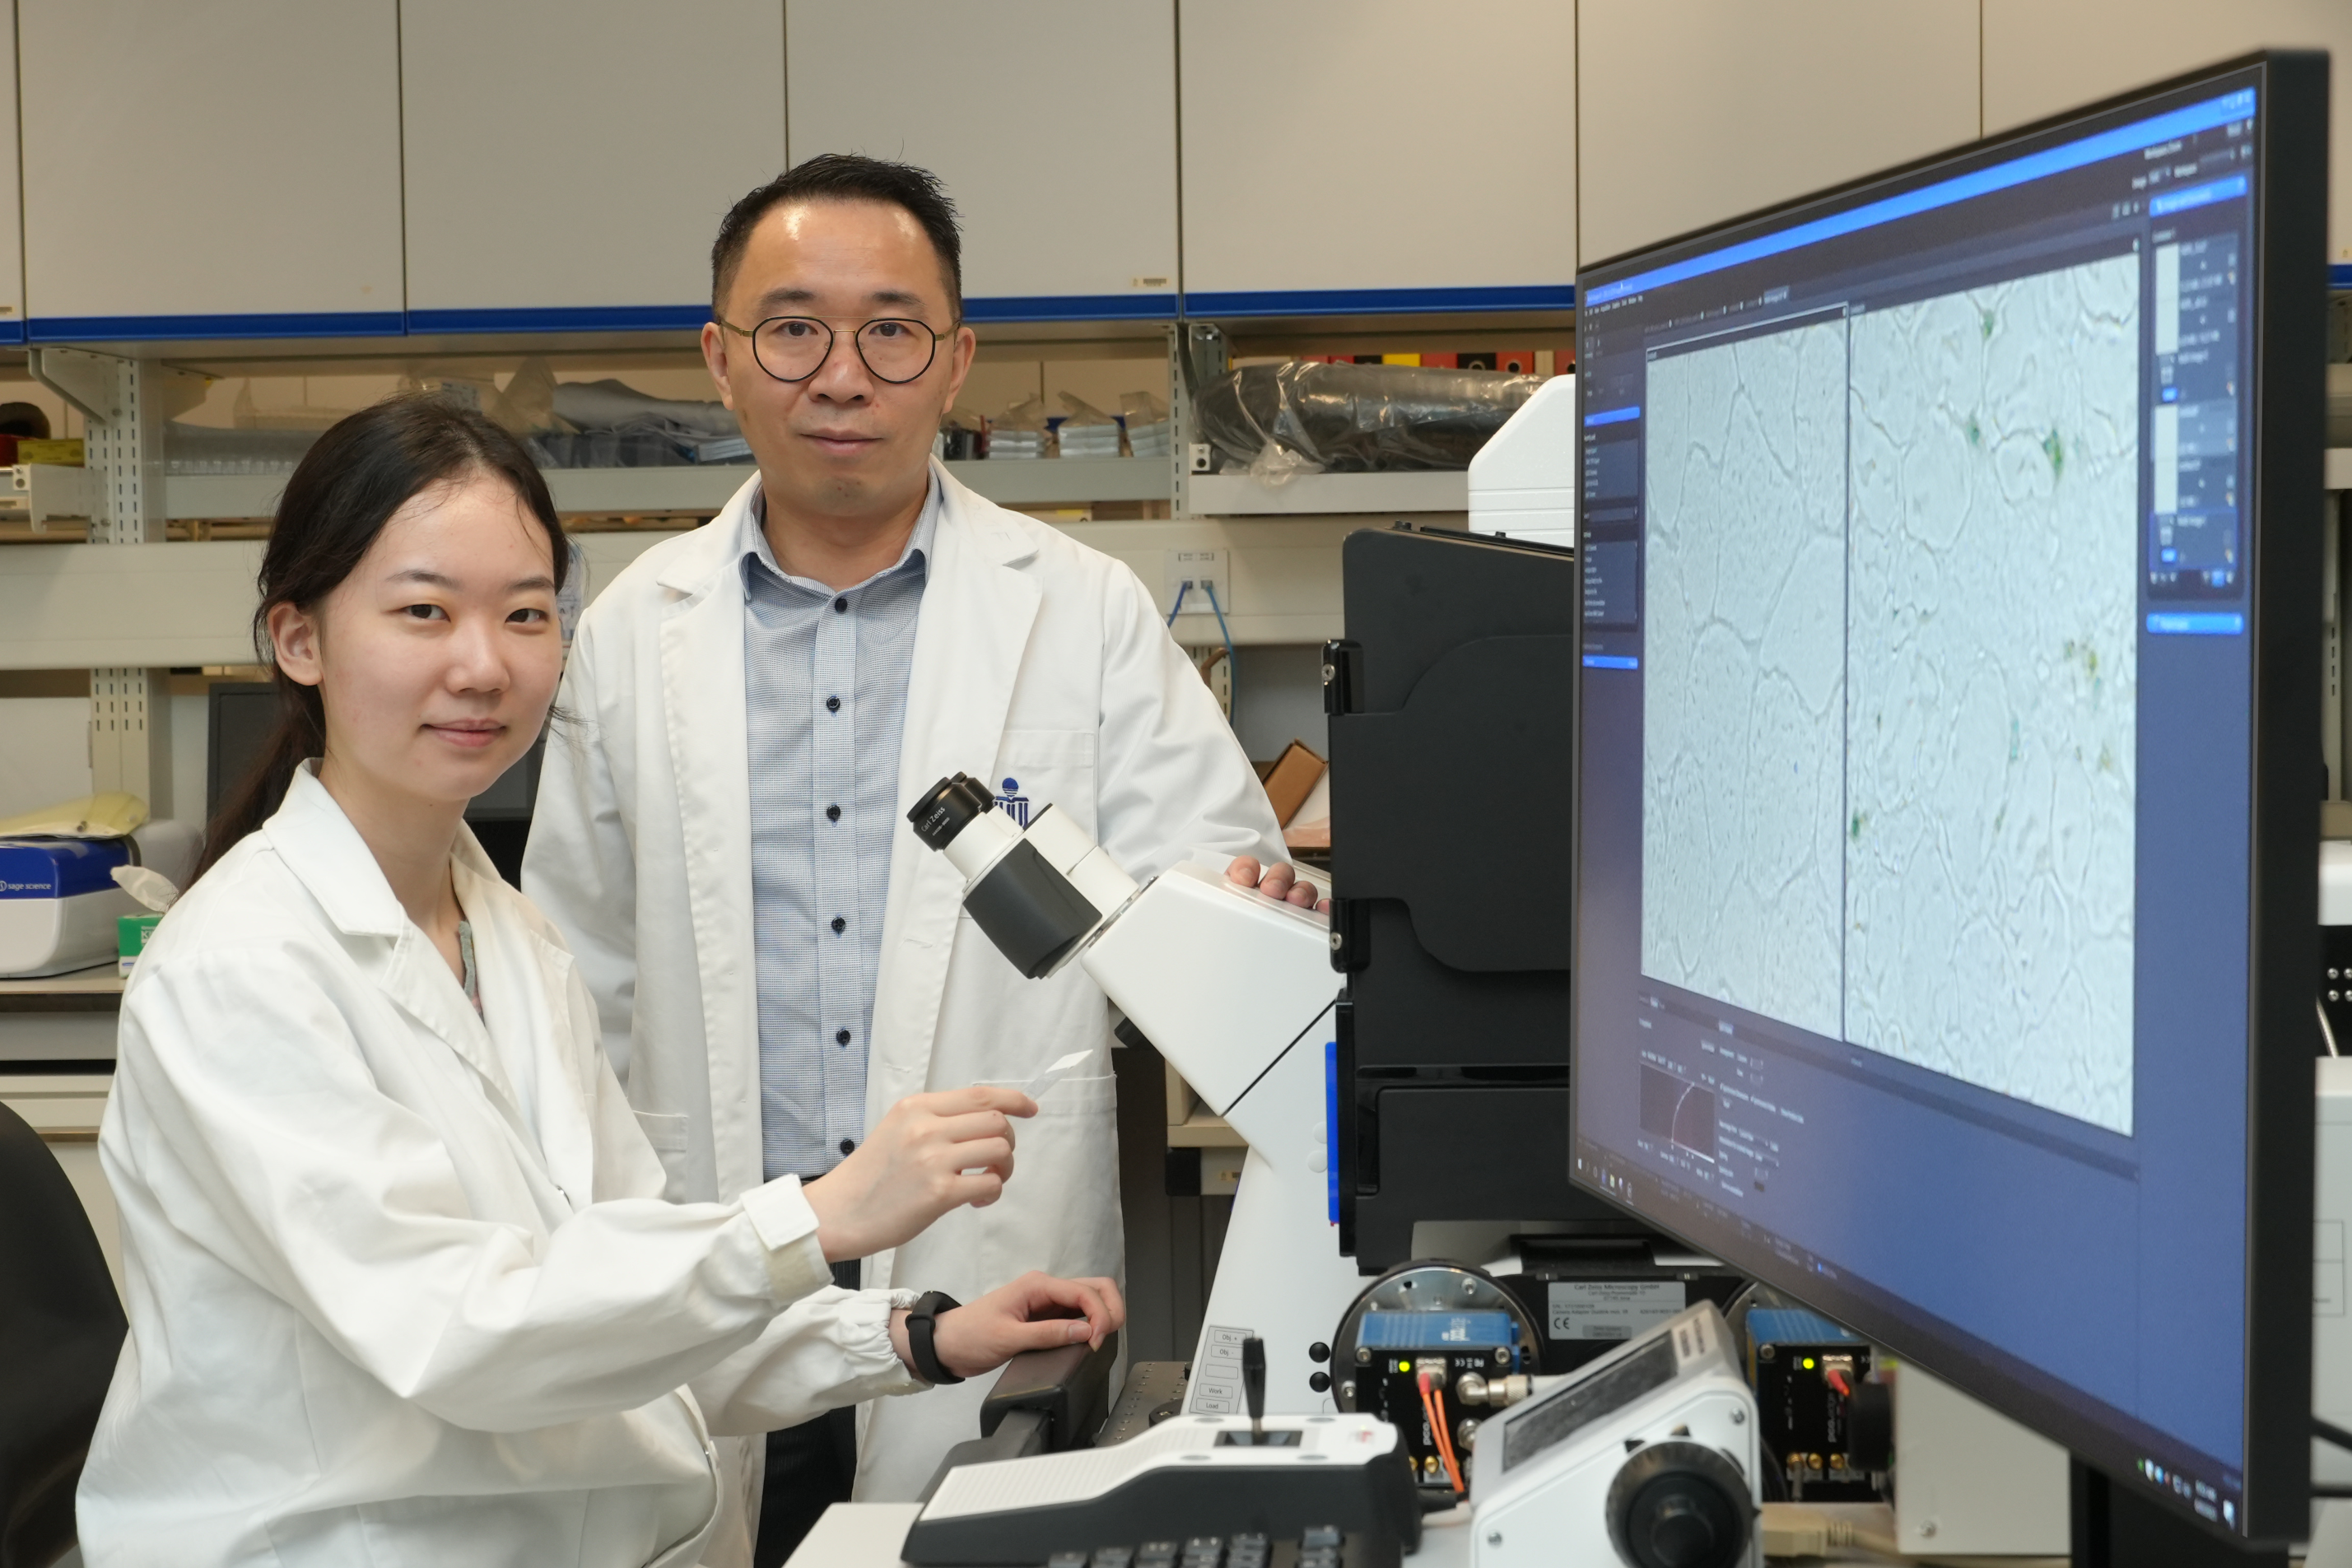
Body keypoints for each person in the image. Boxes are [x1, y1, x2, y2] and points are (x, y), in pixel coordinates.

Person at [75, 395, 1122, 1568]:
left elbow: (622, 1296)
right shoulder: (242, 967)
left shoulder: (506, 935)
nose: (483, 665)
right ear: (299, 638)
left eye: (525, 615)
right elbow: (465, 1331)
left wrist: (913, 1336)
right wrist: (819, 1215)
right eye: (424, 612)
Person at [523, 154, 1322, 1559]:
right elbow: (574, 982)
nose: (842, 375)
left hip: (981, 1260)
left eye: (892, 329)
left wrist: (1245, 903)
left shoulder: (1083, 613)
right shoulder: (631, 628)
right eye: (793, 328)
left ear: (958, 365)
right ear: (721, 360)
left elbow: (1213, 886)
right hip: (716, 1251)